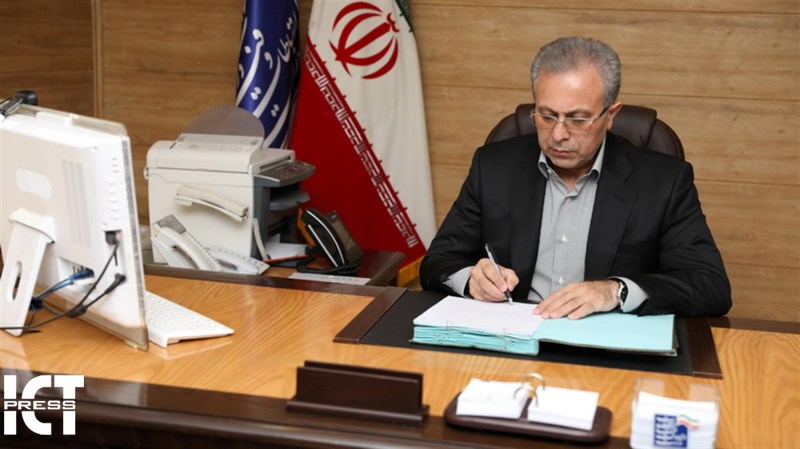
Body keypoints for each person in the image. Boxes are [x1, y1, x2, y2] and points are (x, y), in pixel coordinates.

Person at [420, 36, 731, 319]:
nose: (558, 134)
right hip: (512, 334)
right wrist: (472, 280)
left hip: (606, 343)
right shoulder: (493, 167)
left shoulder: (664, 182)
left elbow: (709, 286)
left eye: (578, 119)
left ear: (610, 115)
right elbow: (438, 262)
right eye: (546, 116)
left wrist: (615, 291)